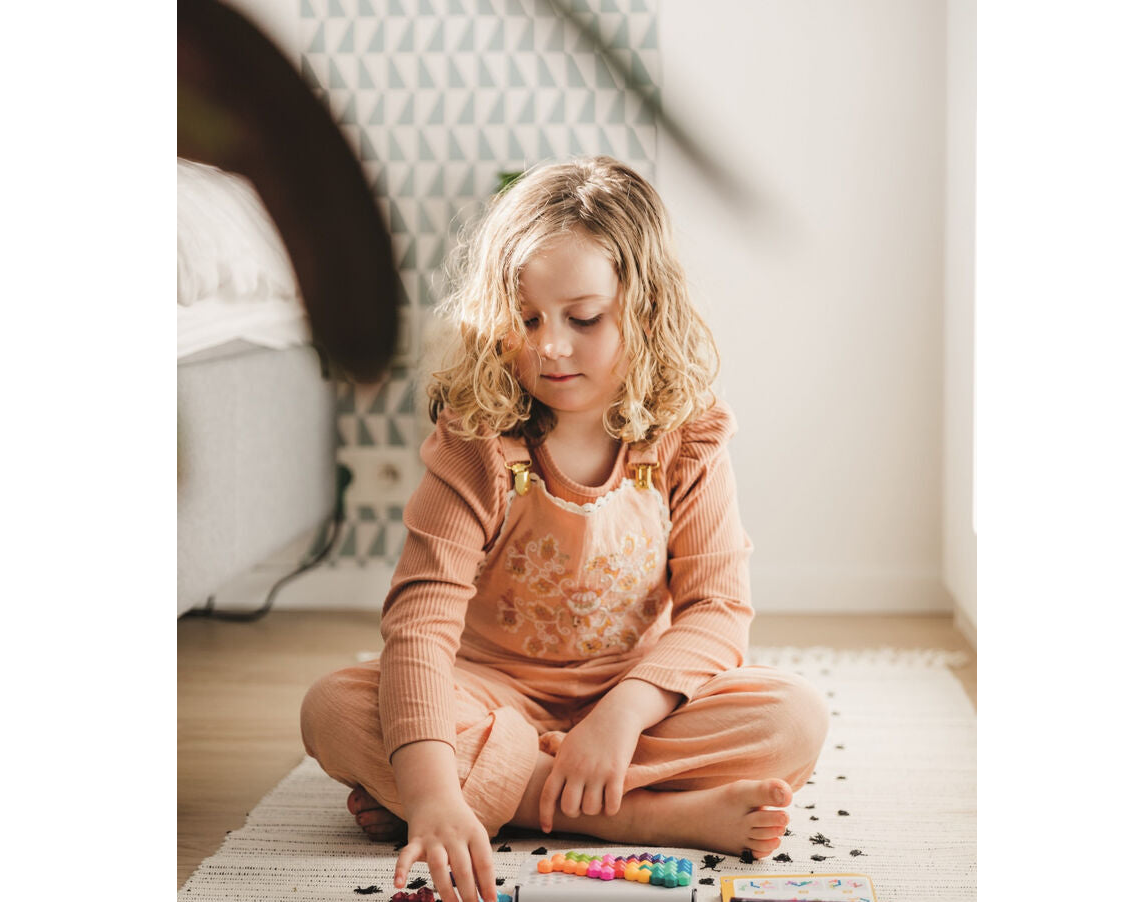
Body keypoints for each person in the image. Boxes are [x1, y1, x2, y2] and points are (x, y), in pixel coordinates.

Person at [301, 156, 829, 902]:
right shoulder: (476, 442)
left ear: (644, 309)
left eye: (583, 319)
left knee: (792, 719)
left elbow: (717, 610)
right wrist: (431, 792)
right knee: (334, 709)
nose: (549, 345)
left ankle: (499, 790)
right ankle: (645, 815)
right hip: (494, 693)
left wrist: (619, 718)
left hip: (636, 700)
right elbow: (419, 625)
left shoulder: (690, 432)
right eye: (525, 319)